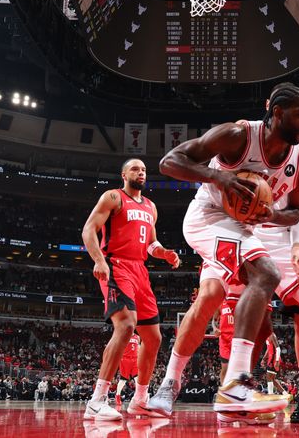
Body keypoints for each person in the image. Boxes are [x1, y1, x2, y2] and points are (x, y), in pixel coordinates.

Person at [148, 83, 299, 419]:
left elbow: (296, 212)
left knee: (238, 311)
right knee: (263, 275)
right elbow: (169, 162)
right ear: (278, 113)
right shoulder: (237, 135)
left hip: (245, 229)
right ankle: (233, 386)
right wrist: (216, 176)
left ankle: (182, 387)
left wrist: (273, 215)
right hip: (207, 219)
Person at [81, 159, 181, 420]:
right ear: (124, 174)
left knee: (154, 337)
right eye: (135, 169)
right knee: (126, 326)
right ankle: (97, 400)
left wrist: (163, 253)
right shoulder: (113, 197)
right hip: (117, 266)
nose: (141, 172)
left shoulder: (151, 207)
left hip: (140, 271)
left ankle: (140, 399)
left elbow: (150, 243)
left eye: (144, 170)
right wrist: (99, 261)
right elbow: (89, 229)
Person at [115, 333, 140, 405]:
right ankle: (118, 395)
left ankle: (138, 396)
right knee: (123, 379)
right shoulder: (123, 335)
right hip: (125, 359)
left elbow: (138, 347)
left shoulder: (137, 337)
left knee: (137, 378)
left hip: (135, 359)